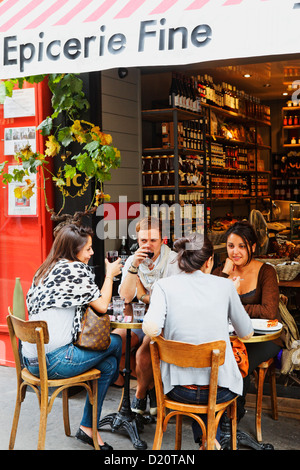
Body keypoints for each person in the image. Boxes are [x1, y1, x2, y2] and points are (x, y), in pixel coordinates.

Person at [142, 234, 253, 448]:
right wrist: (233, 295)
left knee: (201, 376)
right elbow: (246, 332)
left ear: (181, 259)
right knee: (213, 379)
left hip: (177, 389)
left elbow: (151, 328)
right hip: (222, 389)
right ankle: (210, 442)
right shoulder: (225, 286)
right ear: (209, 260)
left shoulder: (164, 287)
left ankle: (208, 441)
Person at [21, 223, 123, 450]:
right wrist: (109, 276)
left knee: (107, 364)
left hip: (31, 359)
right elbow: (103, 306)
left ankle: (89, 428)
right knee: (116, 343)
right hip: (54, 361)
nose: (92, 252)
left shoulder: (45, 268)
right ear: (72, 250)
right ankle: (120, 388)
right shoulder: (73, 270)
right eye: (87, 249)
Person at [213, 220, 283, 420]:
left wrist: (233, 309)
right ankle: (219, 413)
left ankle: (233, 415)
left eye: (242, 246)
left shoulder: (266, 271)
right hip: (231, 337)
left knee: (236, 361)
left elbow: (269, 311)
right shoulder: (221, 272)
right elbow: (210, 305)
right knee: (216, 357)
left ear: (252, 247)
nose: (235, 252)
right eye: (231, 246)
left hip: (264, 338)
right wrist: (225, 274)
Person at [116, 216, 180, 415]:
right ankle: (152, 388)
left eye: (153, 240)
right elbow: (125, 297)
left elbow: (171, 299)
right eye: (143, 240)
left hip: (166, 321)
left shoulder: (174, 261)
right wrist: (134, 266)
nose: (148, 245)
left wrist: (143, 295)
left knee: (145, 350)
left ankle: (140, 395)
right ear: (137, 240)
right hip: (138, 319)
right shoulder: (132, 261)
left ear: (163, 239)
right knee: (114, 344)